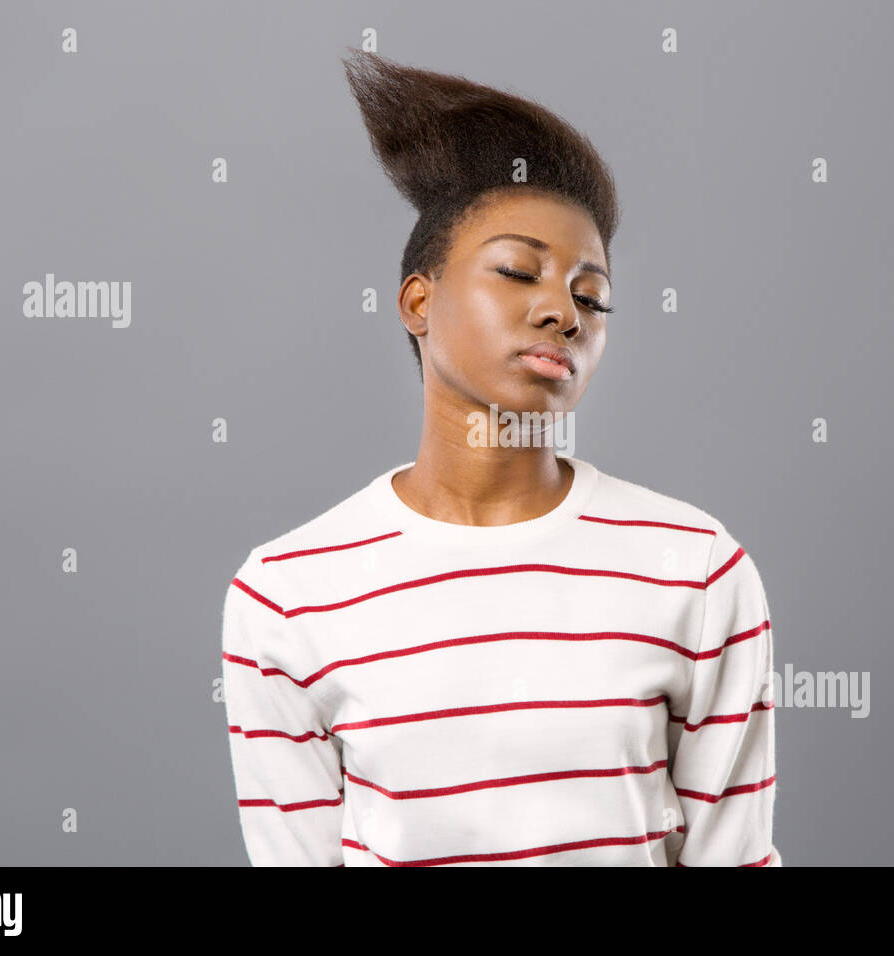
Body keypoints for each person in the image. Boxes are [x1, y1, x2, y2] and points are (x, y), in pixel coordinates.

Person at [220, 48, 782, 867]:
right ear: (419, 300)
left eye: (593, 297)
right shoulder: (285, 594)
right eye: (520, 272)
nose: (562, 311)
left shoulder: (695, 570)